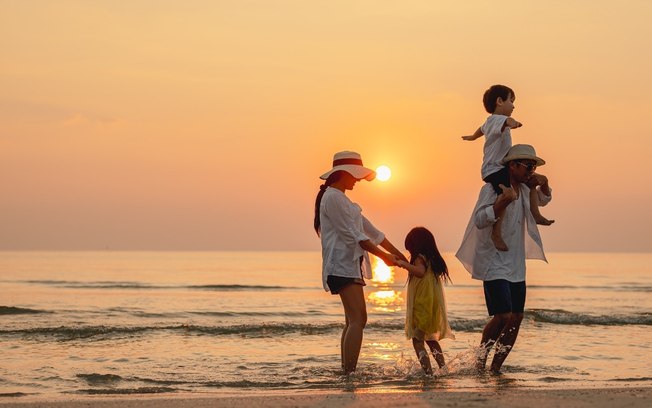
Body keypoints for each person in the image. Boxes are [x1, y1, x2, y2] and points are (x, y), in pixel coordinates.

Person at [456, 144, 552, 374]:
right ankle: (480, 361)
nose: (531, 170)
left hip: (516, 265)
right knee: (502, 316)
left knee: (516, 317)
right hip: (494, 261)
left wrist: (545, 182)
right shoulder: (493, 189)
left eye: (533, 165)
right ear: (512, 165)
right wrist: (501, 202)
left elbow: (543, 200)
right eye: (527, 165)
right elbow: (480, 220)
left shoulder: (526, 190)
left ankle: (496, 368)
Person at [314, 151, 407, 375]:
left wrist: (398, 254)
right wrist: (385, 258)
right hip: (341, 265)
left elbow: (371, 231)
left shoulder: (343, 200)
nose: (357, 180)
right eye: (355, 175)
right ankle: (349, 373)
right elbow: (354, 235)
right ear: (343, 173)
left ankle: (346, 371)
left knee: (352, 321)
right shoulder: (333, 197)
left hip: (349, 265)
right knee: (358, 319)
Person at [462, 84, 554, 252]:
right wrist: (514, 123)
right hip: (494, 169)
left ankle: (536, 214)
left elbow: (480, 130)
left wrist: (472, 137)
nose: (514, 105)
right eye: (511, 100)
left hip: (498, 168)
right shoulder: (498, 120)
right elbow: (507, 121)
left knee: (532, 183)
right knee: (506, 196)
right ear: (499, 101)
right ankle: (496, 233)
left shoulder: (489, 123)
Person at [395, 227, 455, 375]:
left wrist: (403, 264)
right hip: (431, 305)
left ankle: (427, 372)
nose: (410, 254)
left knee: (417, 340)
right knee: (431, 340)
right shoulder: (432, 260)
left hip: (421, 305)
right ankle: (443, 368)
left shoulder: (419, 258)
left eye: (410, 250)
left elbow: (420, 272)